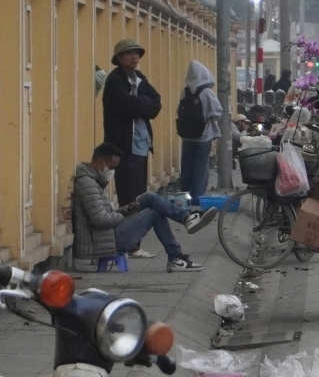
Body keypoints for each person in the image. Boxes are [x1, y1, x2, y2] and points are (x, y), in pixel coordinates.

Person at [73, 143, 216, 272]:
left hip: (107, 235)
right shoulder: (87, 183)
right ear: (100, 162)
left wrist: (122, 211)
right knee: (154, 213)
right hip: (102, 242)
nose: (112, 171)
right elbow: (99, 219)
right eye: (112, 167)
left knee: (149, 197)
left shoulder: (94, 180)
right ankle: (177, 251)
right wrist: (122, 215)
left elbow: (103, 214)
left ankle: (186, 221)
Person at [103, 39, 162, 207]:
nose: (134, 57)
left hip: (141, 143)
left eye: (136, 53)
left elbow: (156, 103)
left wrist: (140, 102)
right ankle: (129, 226)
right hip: (124, 145)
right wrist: (143, 103)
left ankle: (137, 223)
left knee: (140, 190)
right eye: (129, 53)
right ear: (120, 57)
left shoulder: (140, 78)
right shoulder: (115, 81)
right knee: (128, 191)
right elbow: (128, 106)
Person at [177, 60, 222, 202]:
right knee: (200, 167)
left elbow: (179, 111)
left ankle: (185, 196)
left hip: (187, 136)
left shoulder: (184, 92)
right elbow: (217, 111)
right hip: (203, 136)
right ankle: (197, 197)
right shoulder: (206, 92)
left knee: (186, 166)